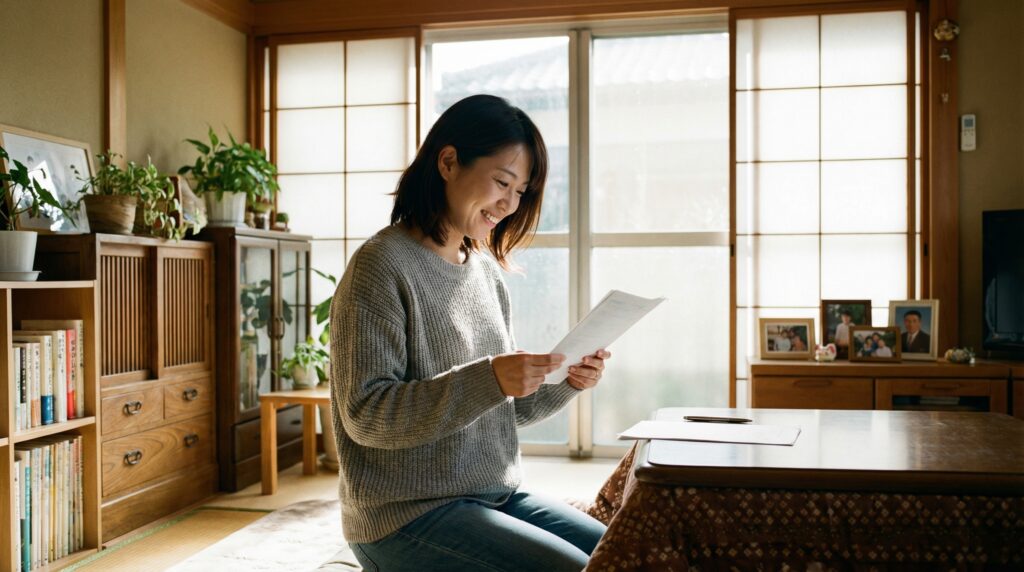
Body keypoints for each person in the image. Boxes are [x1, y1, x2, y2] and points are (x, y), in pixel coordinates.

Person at [329, 94, 610, 572]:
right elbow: (366, 416)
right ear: (448, 162)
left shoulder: (484, 272)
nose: (509, 203)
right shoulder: (381, 266)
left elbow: (497, 409)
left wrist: (567, 380)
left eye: (521, 191)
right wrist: (491, 378)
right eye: (502, 181)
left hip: (493, 494)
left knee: (624, 550)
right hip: (404, 517)